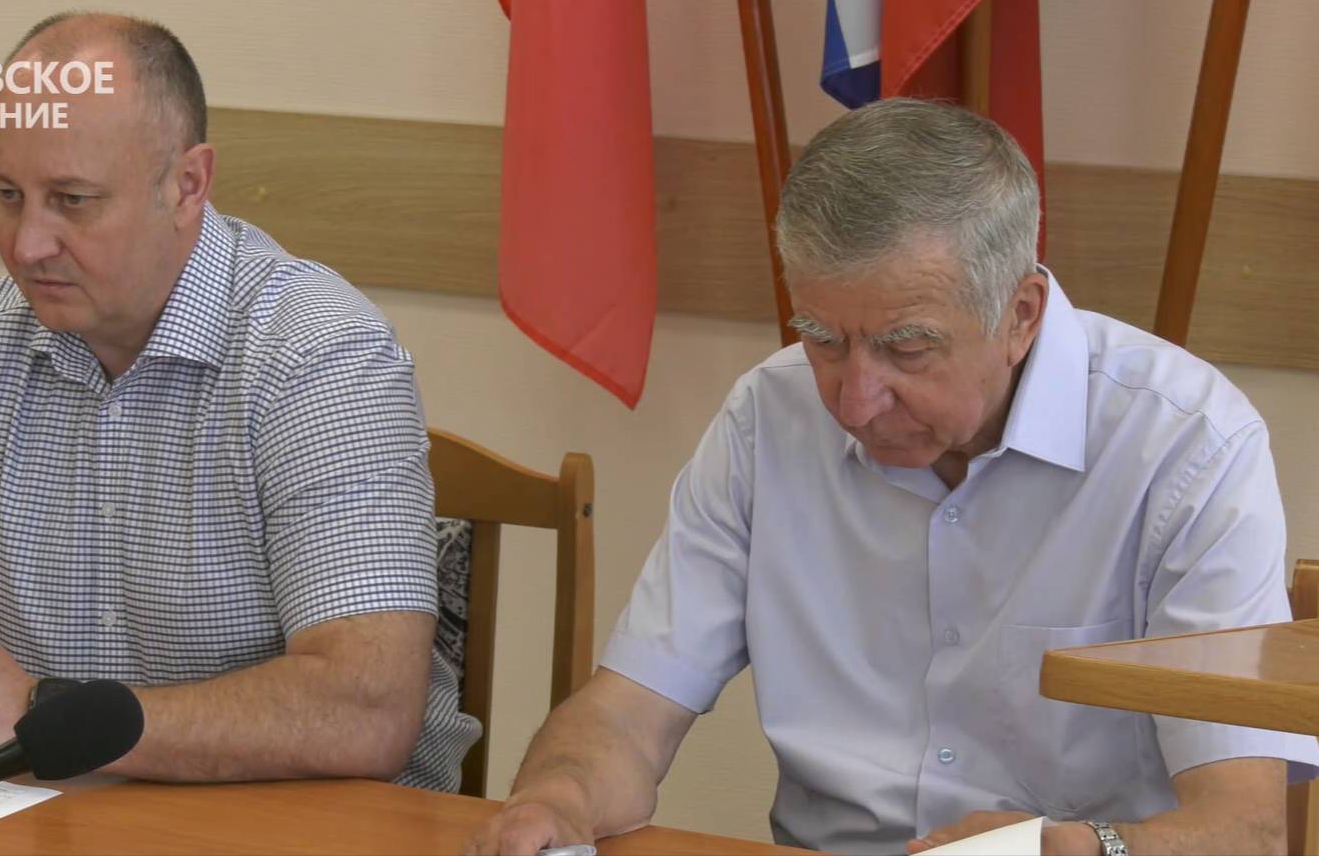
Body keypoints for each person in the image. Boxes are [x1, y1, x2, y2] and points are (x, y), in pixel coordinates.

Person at [465, 98, 1318, 855]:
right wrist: (558, 797)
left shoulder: (1186, 446)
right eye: (822, 339)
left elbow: (1244, 832)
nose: (855, 399)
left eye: (907, 347)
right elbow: (627, 713)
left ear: (1020, 314)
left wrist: (1079, 848)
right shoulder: (768, 417)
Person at [0, 12, 478, 791]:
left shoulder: (317, 352)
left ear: (186, 185)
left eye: (73, 199)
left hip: (308, 825)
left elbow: (364, 710)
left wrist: (34, 710)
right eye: (7, 194)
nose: (27, 245)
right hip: (72, 815)